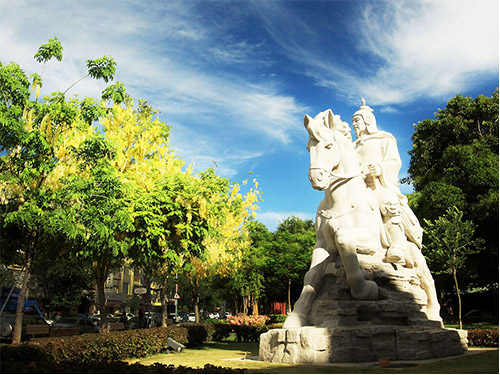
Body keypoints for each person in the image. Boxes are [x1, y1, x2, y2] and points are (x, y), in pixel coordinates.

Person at [352, 99, 423, 264]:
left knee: (388, 203)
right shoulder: (352, 145)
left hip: (379, 184)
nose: (354, 124)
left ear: (367, 121)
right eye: (353, 121)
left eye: (357, 120)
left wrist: (380, 168)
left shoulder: (384, 139)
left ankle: (397, 246)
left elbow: (394, 162)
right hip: (358, 186)